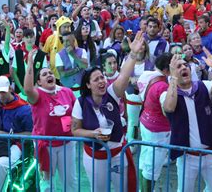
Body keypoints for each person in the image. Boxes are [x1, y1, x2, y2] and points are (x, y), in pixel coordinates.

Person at [71, 31, 146, 192]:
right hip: (95, 157)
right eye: (96, 79)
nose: (101, 81)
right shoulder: (81, 103)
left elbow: (124, 76)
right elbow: (75, 130)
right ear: (88, 85)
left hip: (118, 153)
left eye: (102, 78)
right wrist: (93, 134)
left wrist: (133, 54)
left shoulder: (112, 93)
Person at [162, 48, 212, 192]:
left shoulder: (203, 86)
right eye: (179, 66)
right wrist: (173, 79)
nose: (184, 67)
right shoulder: (169, 94)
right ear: (172, 73)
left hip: (211, 153)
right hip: (187, 157)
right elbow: (170, 107)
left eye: (186, 65)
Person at [23, 49, 77, 192]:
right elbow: (28, 89)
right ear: (39, 81)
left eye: (50, 73)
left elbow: (77, 114)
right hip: (46, 146)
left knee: (70, 181)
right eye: (44, 74)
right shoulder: (37, 95)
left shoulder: (67, 92)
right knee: (47, 183)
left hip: (67, 144)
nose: (49, 75)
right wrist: (30, 63)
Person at [138, 53, 172, 191]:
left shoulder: (147, 75)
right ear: (166, 69)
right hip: (158, 130)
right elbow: (167, 110)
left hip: (145, 122)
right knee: (152, 168)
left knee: (144, 159)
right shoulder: (163, 87)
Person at [56, 32, 88, 97]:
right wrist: (77, 69)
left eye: (67, 41)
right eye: (64, 41)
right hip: (66, 92)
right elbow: (62, 74)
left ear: (73, 40)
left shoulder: (82, 51)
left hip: (81, 90)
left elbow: (85, 65)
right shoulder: (58, 55)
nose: (65, 44)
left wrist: (73, 55)